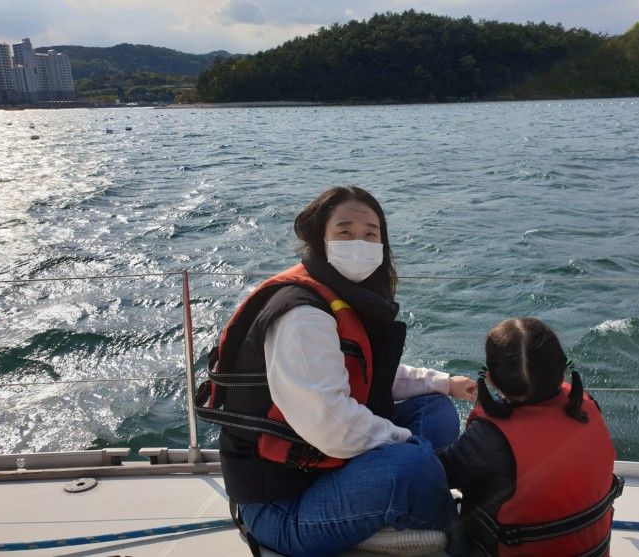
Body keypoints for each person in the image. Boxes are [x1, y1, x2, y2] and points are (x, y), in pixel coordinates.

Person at [197, 186, 476, 557]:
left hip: (325, 472)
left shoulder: (338, 294)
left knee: (435, 409)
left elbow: (365, 375)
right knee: (413, 462)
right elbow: (330, 424)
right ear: (321, 240)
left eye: (370, 234)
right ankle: (442, 533)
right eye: (345, 232)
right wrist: (412, 447)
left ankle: (380, 507)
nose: (358, 241)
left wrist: (444, 383)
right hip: (282, 507)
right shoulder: (302, 315)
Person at [437, 318, 622, 557]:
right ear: (563, 369)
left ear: (491, 379)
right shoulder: (587, 406)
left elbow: (437, 471)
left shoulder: (490, 437)